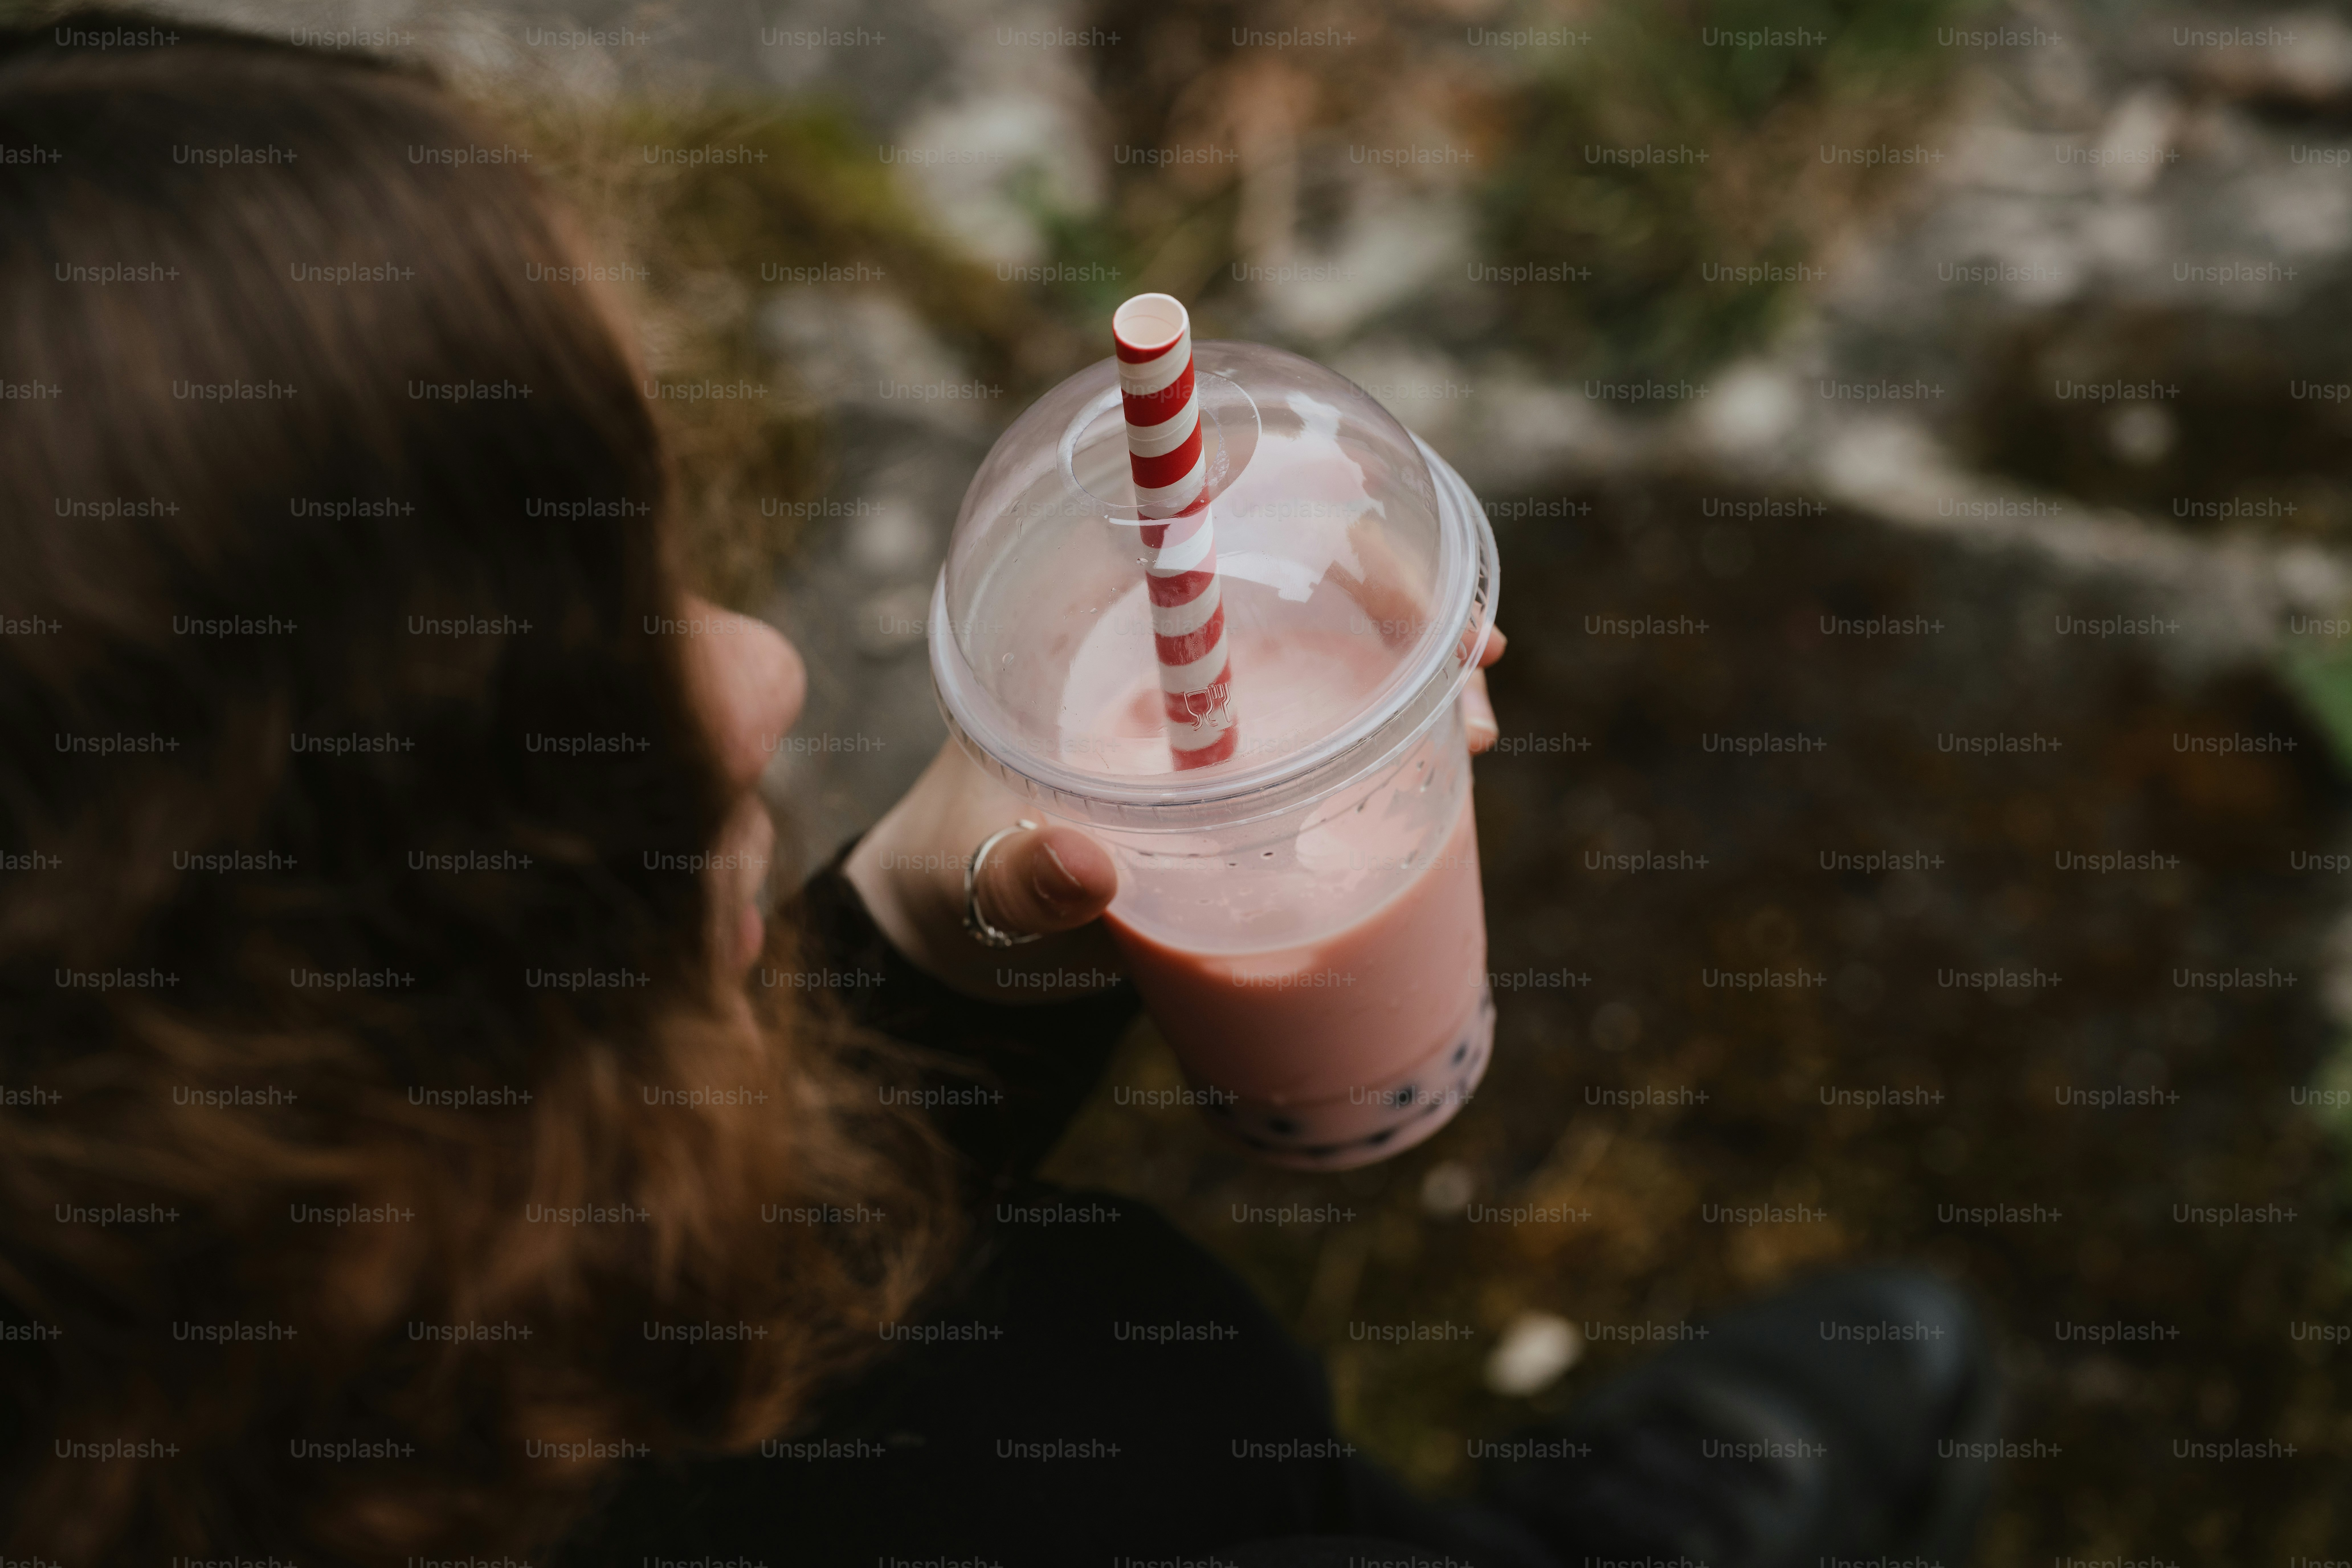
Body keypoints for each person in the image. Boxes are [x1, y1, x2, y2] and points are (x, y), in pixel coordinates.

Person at [0, 14, 1999, 1566]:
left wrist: (920, 950)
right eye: (572, 679)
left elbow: (646, 1200)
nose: (767, 673)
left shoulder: (294, 1318)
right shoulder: (1007, 1489)